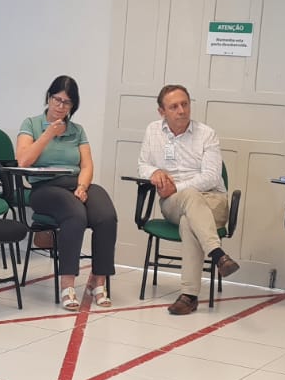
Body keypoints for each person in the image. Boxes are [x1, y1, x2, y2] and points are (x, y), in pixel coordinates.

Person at [16, 75, 117, 312]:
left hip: (74, 184)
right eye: (57, 100)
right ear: (49, 98)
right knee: (75, 214)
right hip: (44, 188)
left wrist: (82, 187)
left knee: (106, 215)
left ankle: (98, 281)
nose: (61, 106)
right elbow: (23, 160)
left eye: (67, 102)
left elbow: (87, 165)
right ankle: (67, 283)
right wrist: (48, 134)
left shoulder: (77, 130)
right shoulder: (31, 124)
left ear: (73, 105)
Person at [137, 84, 235, 315]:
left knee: (188, 220)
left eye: (185, 104)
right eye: (174, 107)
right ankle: (217, 254)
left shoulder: (207, 134)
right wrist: (154, 172)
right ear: (162, 112)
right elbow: (143, 164)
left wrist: (178, 187)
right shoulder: (153, 131)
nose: (181, 110)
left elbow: (212, 177)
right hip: (173, 202)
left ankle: (189, 296)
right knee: (189, 202)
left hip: (213, 200)